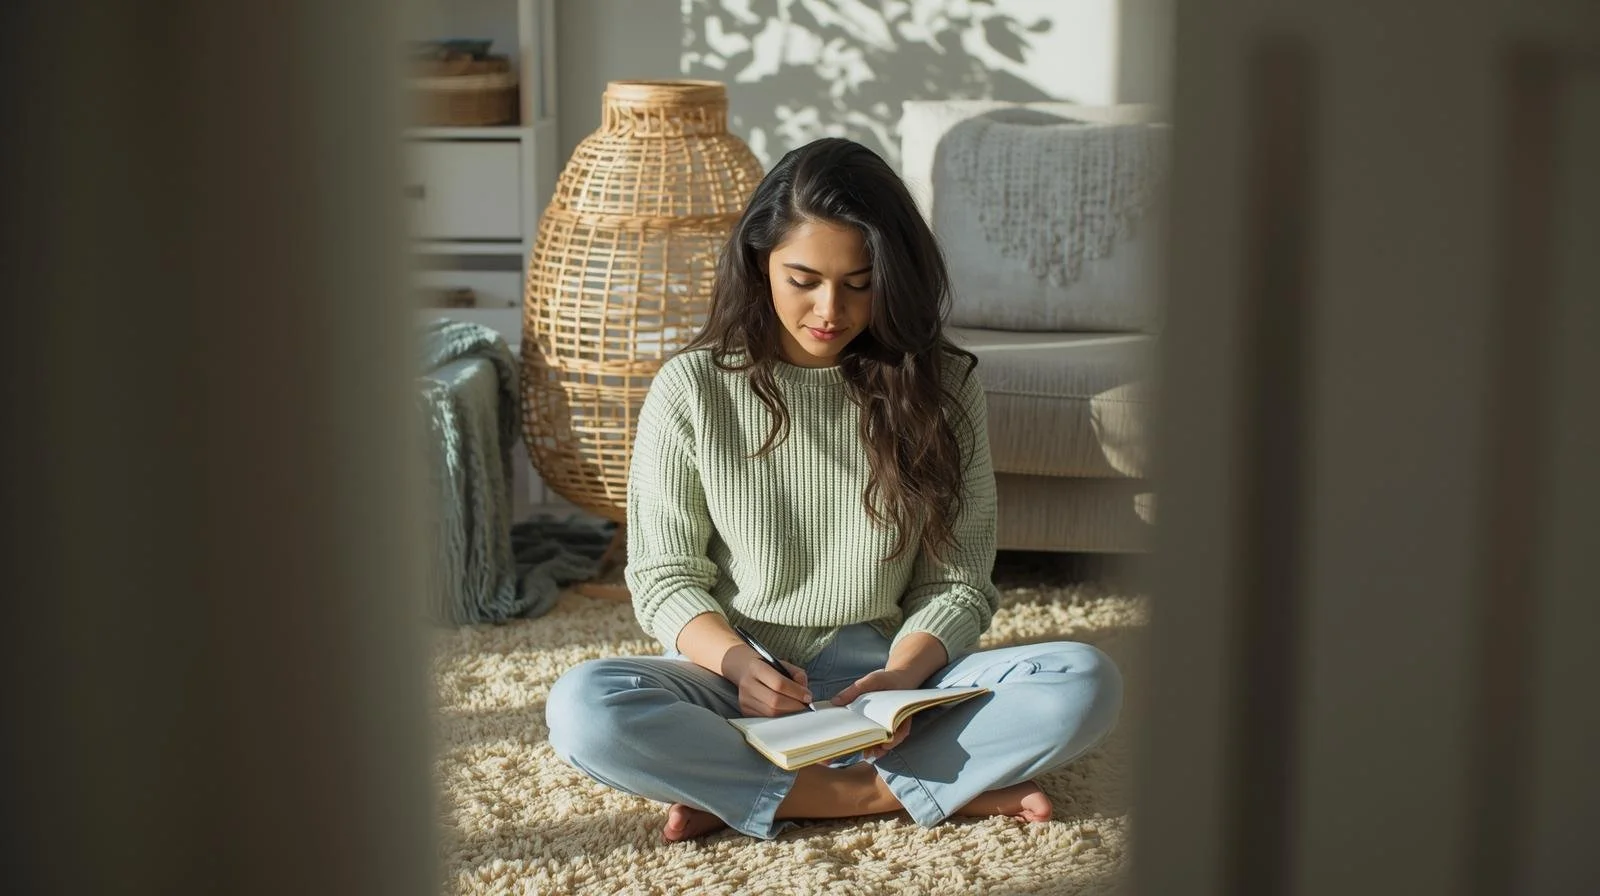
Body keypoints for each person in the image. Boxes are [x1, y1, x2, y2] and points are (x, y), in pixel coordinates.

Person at [545, 137, 1122, 843]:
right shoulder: (691, 388)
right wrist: (740, 667)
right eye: (803, 279)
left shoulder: (942, 386)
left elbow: (957, 581)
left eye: (860, 283)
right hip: (740, 680)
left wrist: (901, 677)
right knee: (584, 707)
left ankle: (763, 794)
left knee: (1083, 678)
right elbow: (665, 578)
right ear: (760, 261)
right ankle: (914, 789)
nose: (830, 309)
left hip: (894, 687)